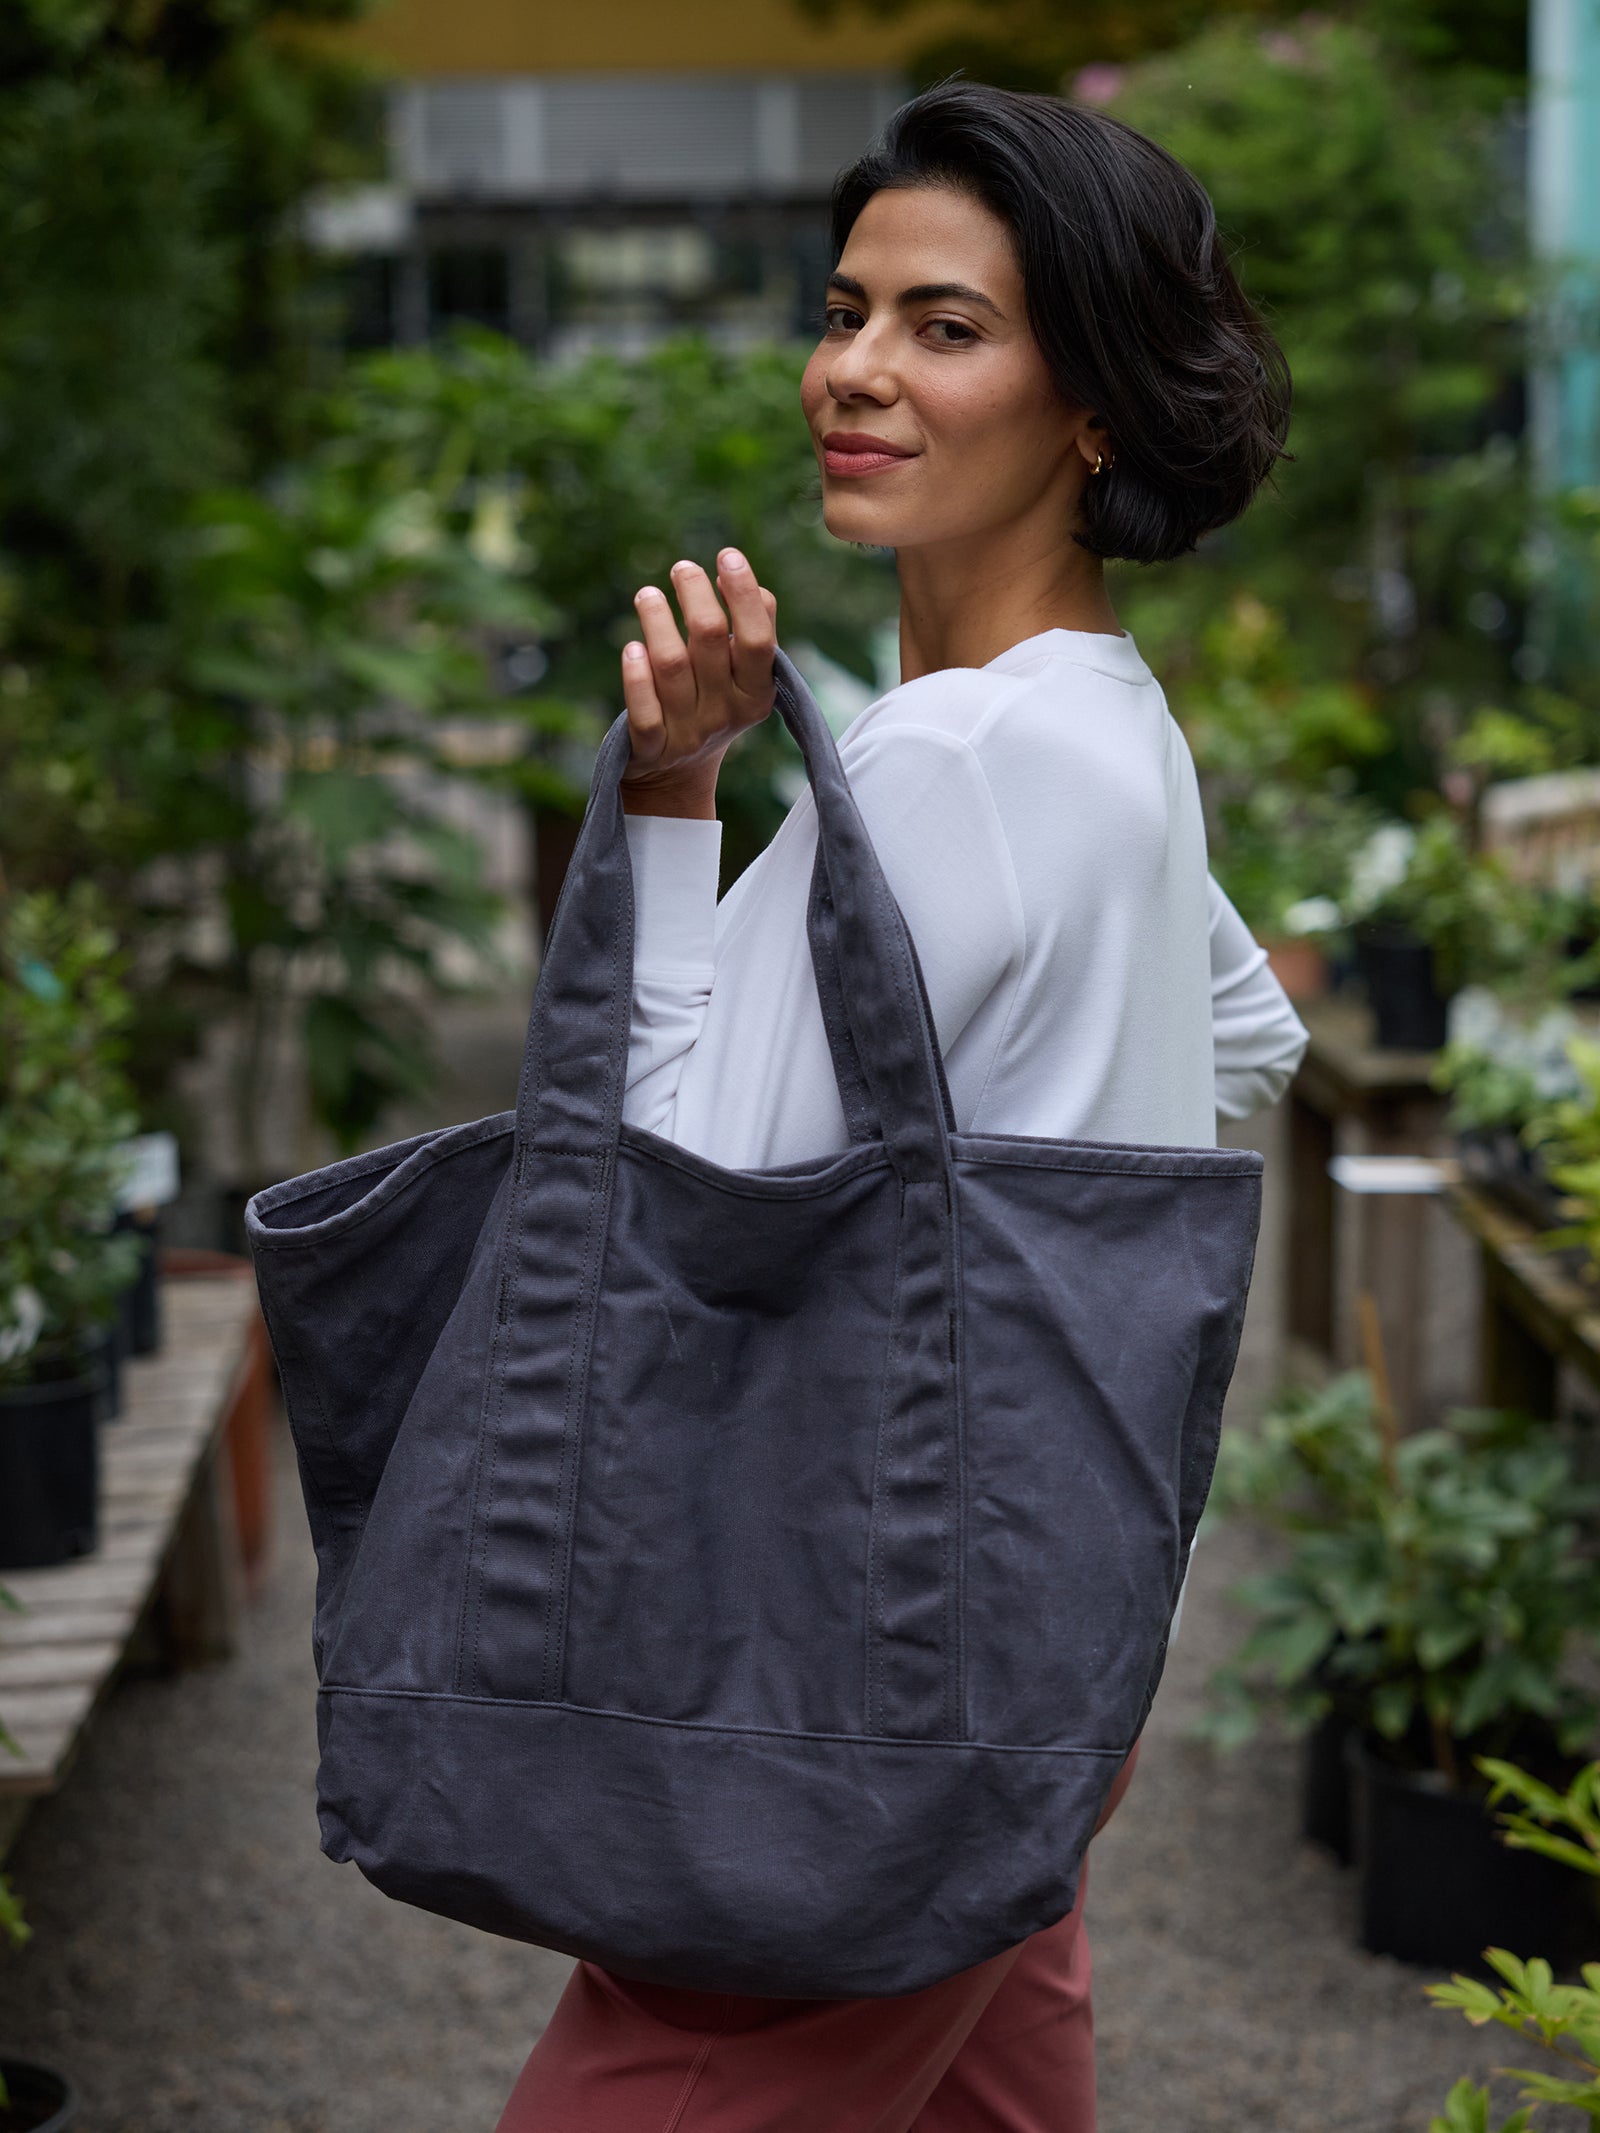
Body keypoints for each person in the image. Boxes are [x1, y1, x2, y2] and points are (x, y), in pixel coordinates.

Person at [497, 79, 1307, 2133]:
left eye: (944, 326)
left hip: (855, 1673)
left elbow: (656, 1188)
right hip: (1045, 1626)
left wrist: (673, 797)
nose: (852, 370)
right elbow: (1246, 1035)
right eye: (846, 307)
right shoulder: (1111, 725)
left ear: (1094, 405)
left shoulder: (954, 760)